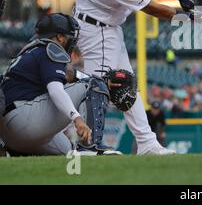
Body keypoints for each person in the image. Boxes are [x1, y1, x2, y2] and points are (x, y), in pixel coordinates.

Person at [73, 0, 195, 155]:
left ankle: (146, 143)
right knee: (97, 88)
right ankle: (87, 146)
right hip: (96, 30)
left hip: (104, 26)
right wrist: (185, 16)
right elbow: (151, 8)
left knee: (128, 87)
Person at [0, 13, 117, 156]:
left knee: (71, 156)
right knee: (94, 85)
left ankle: (18, 153)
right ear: (59, 37)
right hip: (25, 119)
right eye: (69, 36)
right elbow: (55, 90)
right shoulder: (52, 48)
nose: (72, 41)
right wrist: (77, 118)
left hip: (9, 133)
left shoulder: (31, 51)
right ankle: (91, 145)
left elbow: (68, 75)